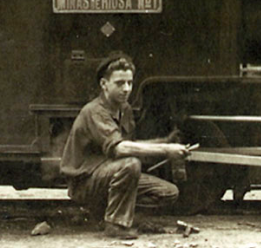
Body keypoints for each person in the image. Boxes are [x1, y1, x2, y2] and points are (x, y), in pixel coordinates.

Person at [60, 51, 188, 239]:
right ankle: (115, 224)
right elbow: (120, 148)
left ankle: (114, 217)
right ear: (104, 84)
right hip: (86, 182)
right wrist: (166, 150)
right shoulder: (95, 111)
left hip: (109, 174)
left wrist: (164, 142)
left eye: (129, 83)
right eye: (120, 83)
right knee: (131, 164)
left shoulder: (124, 109)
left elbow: (130, 144)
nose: (127, 89)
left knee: (169, 193)